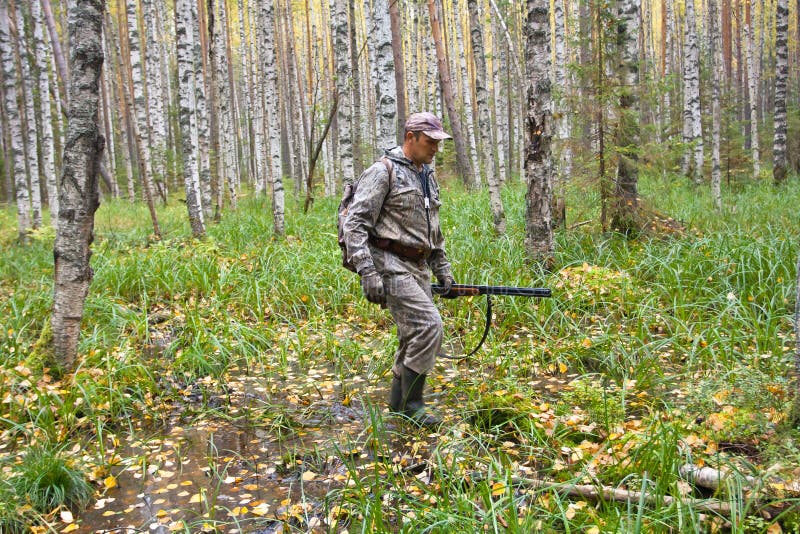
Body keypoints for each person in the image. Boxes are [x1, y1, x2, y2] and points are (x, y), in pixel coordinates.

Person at [342, 112, 456, 427]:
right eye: (430, 141)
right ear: (411, 137)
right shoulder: (382, 172)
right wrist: (368, 272)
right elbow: (355, 225)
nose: (435, 148)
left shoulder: (427, 175)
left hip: (418, 264)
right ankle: (413, 405)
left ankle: (397, 404)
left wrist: (442, 270)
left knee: (412, 333)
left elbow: (434, 229)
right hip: (388, 262)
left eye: (438, 142)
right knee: (428, 325)